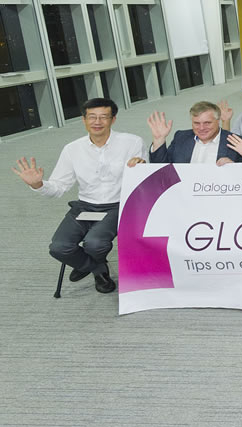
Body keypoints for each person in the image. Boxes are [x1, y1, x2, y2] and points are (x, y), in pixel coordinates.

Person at [13, 98, 145, 294]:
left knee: (95, 243)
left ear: (113, 119)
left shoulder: (132, 142)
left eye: (103, 117)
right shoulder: (72, 149)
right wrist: (38, 184)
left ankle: (89, 264)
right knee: (59, 247)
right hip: (85, 206)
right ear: (84, 120)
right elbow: (58, 187)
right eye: (92, 117)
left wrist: (141, 167)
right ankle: (96, 268)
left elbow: (144, 178)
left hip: (117, 205)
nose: (97, 122)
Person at [148, 101, 242, 164]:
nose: (201, 128)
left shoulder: (237, 142)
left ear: (218, 120)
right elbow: (161, 170)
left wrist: (235, 168)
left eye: (207, 123)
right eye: (196, 123)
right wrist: (159, 140)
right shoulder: (181, 137)